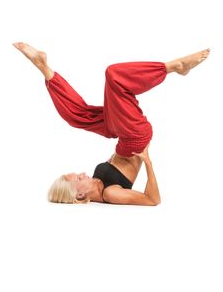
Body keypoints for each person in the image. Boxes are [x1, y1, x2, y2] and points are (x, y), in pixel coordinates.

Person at [13, 42, 210, 206]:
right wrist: (148, 162)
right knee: (114, 76)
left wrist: (112, 122)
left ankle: (45, 69)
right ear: (80, 195)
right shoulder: (110, 194)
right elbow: (152, 200)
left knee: (78, 116)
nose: (83, 173)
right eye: (79, 179)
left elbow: (118, 159)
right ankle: (174, 67)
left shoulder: (97, 182)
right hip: (135, 137)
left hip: (121, 135)